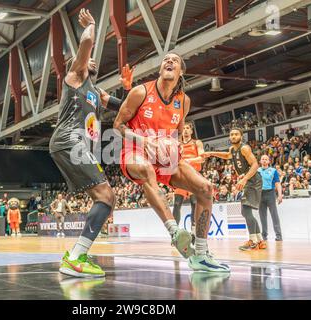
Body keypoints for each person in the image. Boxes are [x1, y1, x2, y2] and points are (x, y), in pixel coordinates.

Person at [114, 52, 229, 272]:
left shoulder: (183, 101)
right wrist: (143, 139)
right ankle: (175, 231)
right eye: (166, 59)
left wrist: (173, 147)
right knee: (147, 170)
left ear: (181, 71)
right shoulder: (140, 92)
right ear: (160, 69)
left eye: (175, 60)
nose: (169, 61)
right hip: (135, 151)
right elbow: (118, 125)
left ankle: (201, 255)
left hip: (165, 158)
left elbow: (177, 133)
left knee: (206, 188)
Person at [49, 9, 134, 278]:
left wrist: (130, 91)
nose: (92, 60)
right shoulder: (74, 77)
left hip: (77, 145)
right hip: (69, 140)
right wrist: (93, 26)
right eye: (88, 60)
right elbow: (86, 45)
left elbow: (125, 109)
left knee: (105, 198)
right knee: (107, 196)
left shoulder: (96, 93)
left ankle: (76, 254)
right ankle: (75, 257)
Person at [203, 128, 266, 251]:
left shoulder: (244, 148)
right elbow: (227, 155)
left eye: (236, 134)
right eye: (231, 134)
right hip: (248, 180)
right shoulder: (233, 149)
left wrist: (244, 179)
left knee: (246, 211)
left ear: (241, 137)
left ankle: (253, 241)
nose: (233, 136)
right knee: (246, 212)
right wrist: (212, 153)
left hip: (253, 180)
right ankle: (260, 240)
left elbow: (255, 165)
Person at [172, 123, 205, 236]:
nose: (185, 130)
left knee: (194, 203)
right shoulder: (177, 144)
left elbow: (202, 158)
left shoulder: (197, 142)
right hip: (181, 177)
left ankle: (194, 232)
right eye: (184, 128)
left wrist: (188, 161)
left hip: (193, 176)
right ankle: (174, 233)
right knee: (177, 204)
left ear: (191, 131)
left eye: (188, 128)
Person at [258, 155, 283, 241]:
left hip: (270, 194)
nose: (264, 160)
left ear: (269, 161)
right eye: (263, 159)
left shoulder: (273, 171)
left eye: (266, 159)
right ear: (260, 161)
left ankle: (279, 235)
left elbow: (277, 183)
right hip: (260, 194)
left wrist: (280, 195)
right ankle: (264, 236)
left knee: (274, 215)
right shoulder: (257, 171)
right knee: (262, 216)